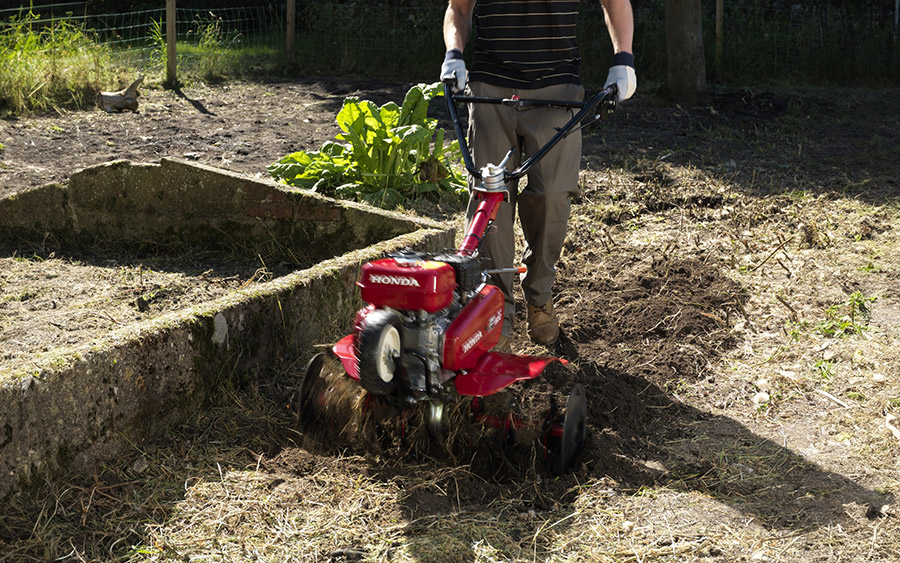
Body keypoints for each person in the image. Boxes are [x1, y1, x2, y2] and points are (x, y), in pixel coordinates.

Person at [441, 0, 637, 349]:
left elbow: (613, 2)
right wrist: (453, 53)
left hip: (557, 88)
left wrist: (624, 58)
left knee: (553, 195)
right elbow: (458, 8)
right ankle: (494, 308)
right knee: (491, 199)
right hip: (490, 88)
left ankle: (539, 294)